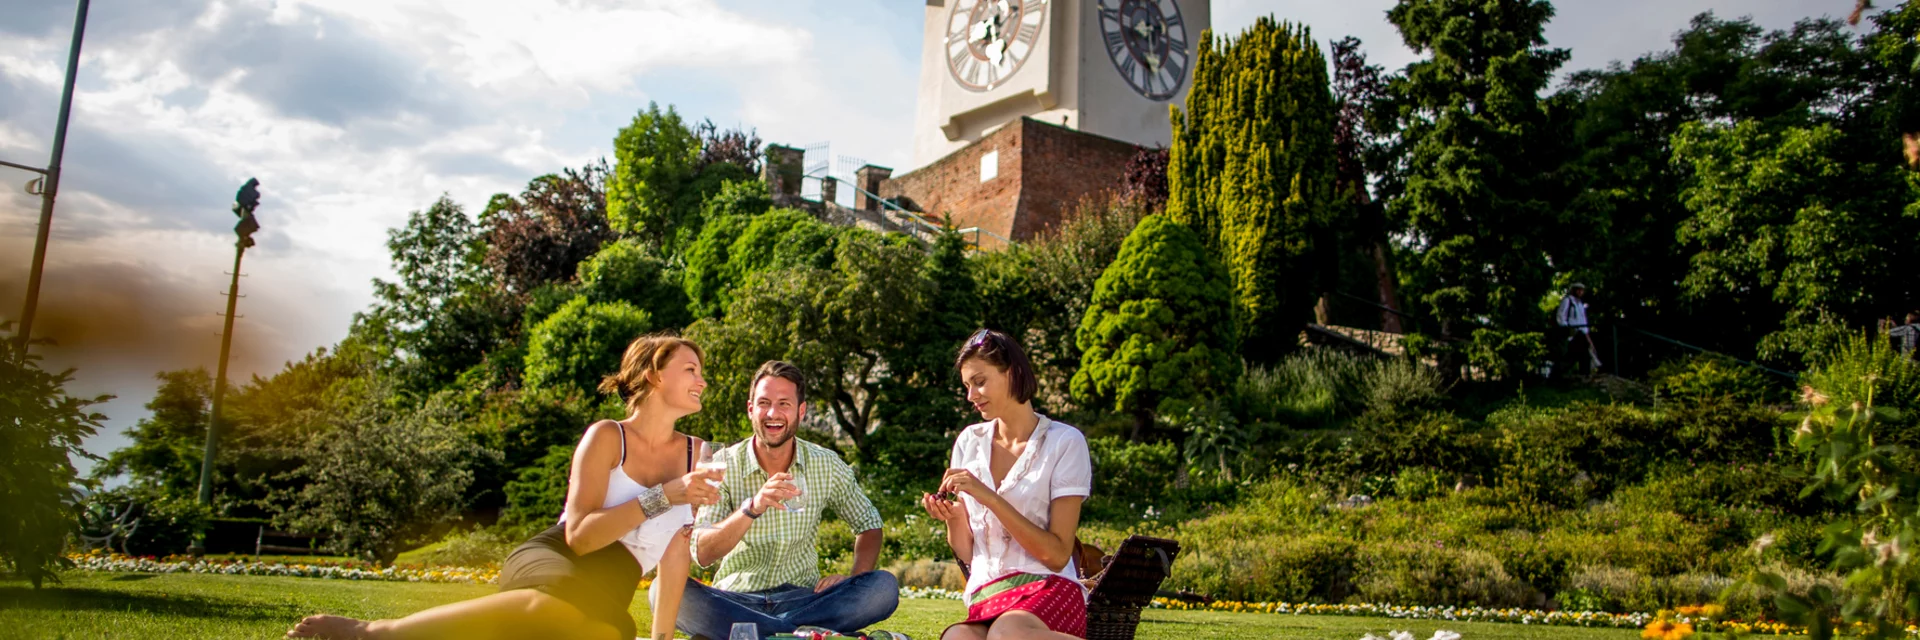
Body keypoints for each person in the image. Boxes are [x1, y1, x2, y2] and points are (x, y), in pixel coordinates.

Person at [286, 335, 723, 640]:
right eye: (691, 369)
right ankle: (372, 633)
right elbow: (580, 537)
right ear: (653, 375)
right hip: (558, 558)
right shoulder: (607, 436)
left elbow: (673, 556)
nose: (702, 380)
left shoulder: (697, 453)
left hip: (613, 583)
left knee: (608, 633)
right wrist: (665, 494)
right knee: (557, 610)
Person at [674, 361, 899, 640]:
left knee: (883, 587)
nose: (772, 413)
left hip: (805, 599)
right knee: (668, 591)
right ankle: (805, 636)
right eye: (764, 403)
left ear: (800, 411)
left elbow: (869, 523)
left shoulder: (825, 463)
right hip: (734, 599)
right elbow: (703, 552)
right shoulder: (723, 465)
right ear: (750, 409)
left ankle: (753, 634)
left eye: (784, 404)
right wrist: (752, 507)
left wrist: (853, 577)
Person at [923, 329, 1093, 640]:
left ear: (1012, 374)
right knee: (956, 638)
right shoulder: (968, 442)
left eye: (980, 382)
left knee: (1006, 634)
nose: (971, 395)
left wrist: (990, 497)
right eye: (967, 386)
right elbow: (968, 551)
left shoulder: (1065, 442)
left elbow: (1057, 555)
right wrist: (954, 518)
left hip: (1048, 585)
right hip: (989, 591)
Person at [1549, 283, 1601, 378]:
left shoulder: (1580, 304)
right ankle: (1562, 373)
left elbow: (1583, 321)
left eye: (1581, 290)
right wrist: (1567, 328)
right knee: (1573, 355)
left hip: (1581, 332)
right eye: (1578, 290)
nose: (1580, 292)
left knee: (1583, 352)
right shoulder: (1568, 301)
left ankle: (1584, 373)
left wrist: (1587, 335)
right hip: (1572, 332)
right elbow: (1561, 316)